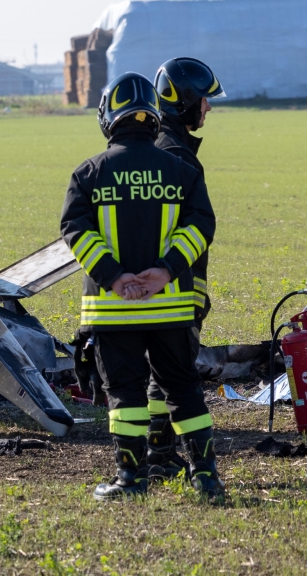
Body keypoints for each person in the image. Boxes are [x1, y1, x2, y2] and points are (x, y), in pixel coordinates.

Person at [60, 72, 223, 500]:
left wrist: (114, 277)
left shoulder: (88, 173)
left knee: (127, 396)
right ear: (153, 115)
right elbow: (201, 225)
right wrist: (166, 271)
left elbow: (75, 231)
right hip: (170, 308)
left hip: (114, 311)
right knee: (183, 390)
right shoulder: (180, 168)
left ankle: (131, 481)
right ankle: (206, 478)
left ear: (108, 117)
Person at [144, 58, 226, 480]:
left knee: (163, 374)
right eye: (205, 99)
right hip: (177, 287)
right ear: (185, 100)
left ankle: (158, 452)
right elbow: (198, 230)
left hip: (167, 285)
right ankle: (165, 457)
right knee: (174, 374)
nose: (209, 107)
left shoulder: (161, 148)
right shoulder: (178, 158)